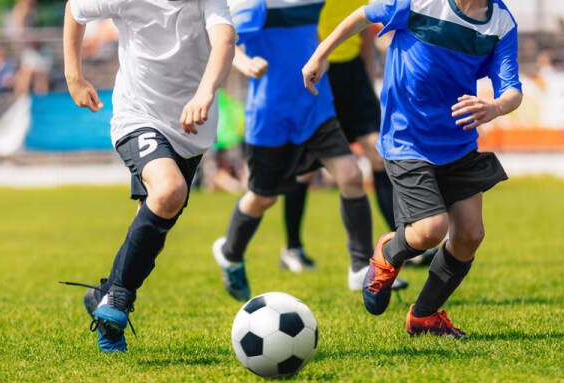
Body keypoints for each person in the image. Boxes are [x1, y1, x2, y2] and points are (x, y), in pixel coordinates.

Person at [303, 0, 523, 337]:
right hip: (407, 137)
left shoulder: (501, 24)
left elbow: (512, 91)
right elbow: (363, 15)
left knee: (469, 236)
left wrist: (494, 106)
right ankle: (387, 253)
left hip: (457, 141)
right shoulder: (420, 2)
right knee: (431, 229)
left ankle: (424, 315)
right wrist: (321, 53)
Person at [62, 0, 235, 352]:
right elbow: (74, 9)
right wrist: (73, 76)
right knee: (170, 191)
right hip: (138, 116)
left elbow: (225, 39)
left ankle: (105, 297)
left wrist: (205, 92)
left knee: (157, 209)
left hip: (192, 128)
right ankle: (119, 299)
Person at [212, 0, 383, 301]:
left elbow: (319, 33)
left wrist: (322, 55)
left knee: (352, 175)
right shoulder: (254, 4)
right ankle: (230, 252)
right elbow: (225, 43)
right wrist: (245, 63)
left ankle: (360, 267)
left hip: (315, 107)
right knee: (263, 197)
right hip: (271, 115)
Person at [277, 0, 398, 273]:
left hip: (353, 75)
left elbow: (365, 28)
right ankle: (292, 248)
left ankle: (403, 242)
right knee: (305, 170)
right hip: (318, 72)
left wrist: (367, 75)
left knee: (378, 155)